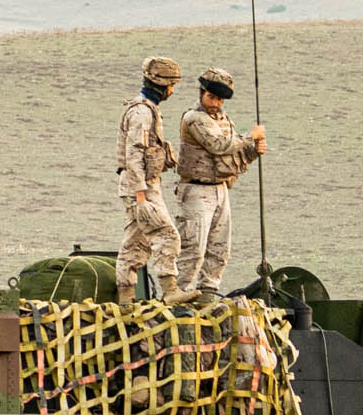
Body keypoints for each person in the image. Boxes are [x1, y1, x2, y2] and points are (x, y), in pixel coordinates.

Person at [172, 67, 269, 296]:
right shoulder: (194, 118)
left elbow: (232, 157)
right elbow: (218, 145)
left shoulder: (224, 120)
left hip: (220, 189)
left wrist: (253, 151)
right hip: (196, 190)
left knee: (219, 248)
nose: (215, 103)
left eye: (220, 100)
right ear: (202, 93)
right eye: (211, 97)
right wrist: (249, 137)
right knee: (193, 249)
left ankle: (208, 293)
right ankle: (180, 293)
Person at [115, 57, 182, 306]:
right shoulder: (142, 113)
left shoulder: (147, 110)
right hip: (140, 187)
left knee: (136, 242)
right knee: (167, 234)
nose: (172, 91)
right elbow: (134, 155)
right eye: (170, 85)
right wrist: (141, 194)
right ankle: (170, 288)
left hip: (141, 185)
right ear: (160, 85)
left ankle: (126, 298)